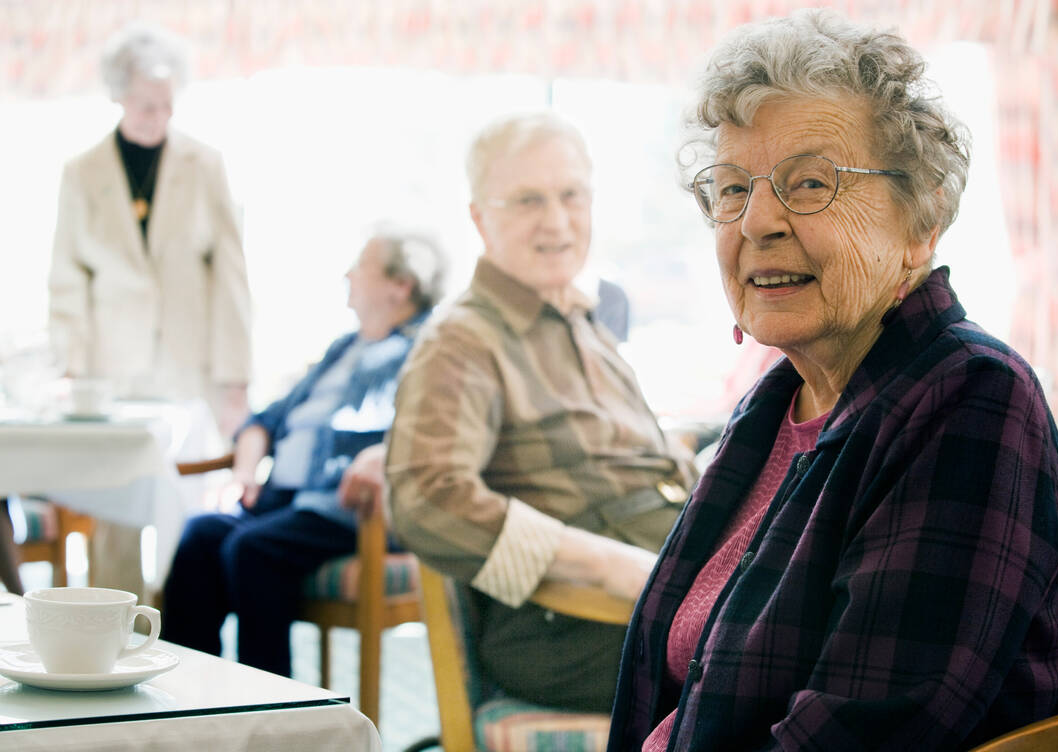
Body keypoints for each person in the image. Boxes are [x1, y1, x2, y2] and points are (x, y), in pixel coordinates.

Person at [607, 10, 1058, 751]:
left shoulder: (972, 401)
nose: (758, 220)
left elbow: (864, 733)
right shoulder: (774, 408)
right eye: (732, 189)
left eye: (809, 183)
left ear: (919, 226)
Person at [385, 112, 698, 712]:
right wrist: (613, 568)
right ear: (480, 217)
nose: (556, 221)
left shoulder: (582, 322)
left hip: (666, 589)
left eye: (570, 195)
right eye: (528, 200)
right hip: (574, 627)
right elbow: (426, 497)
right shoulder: (463, 339)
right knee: (804, 654)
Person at [160, 228, 444, 677]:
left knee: (251, 549)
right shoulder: (344, 348)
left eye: (362, 265)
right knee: (200, 537)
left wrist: (383, 453)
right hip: (284, 501)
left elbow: (437, 429)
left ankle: (271, 715)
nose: (347, 273)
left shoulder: (428, 349)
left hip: (348, 507)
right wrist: (245, 473)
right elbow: (266, 421)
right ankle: (188, 698)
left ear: (400, 285)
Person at [47, 21, 253, 599]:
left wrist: (234, 377)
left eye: (166, 104)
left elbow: (232, 275)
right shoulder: (82, 172)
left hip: (189, 367)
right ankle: (112, 632)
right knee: (113, 516)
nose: (156, 115)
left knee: (184, 510)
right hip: (111, 372)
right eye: (144, 104)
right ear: (117, 95)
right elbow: (67, 280)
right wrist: (71, 369)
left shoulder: (203, 164)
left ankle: (177, 637)